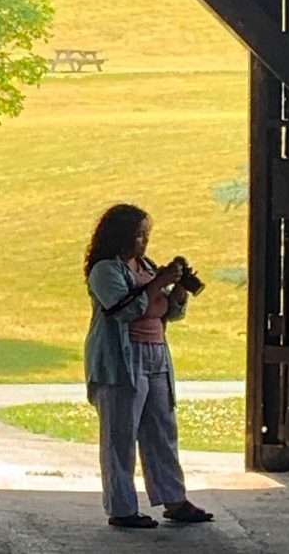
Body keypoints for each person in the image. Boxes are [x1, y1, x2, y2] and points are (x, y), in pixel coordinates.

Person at [83, 203, 213, 529]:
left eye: (146, 234)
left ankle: (174, 499)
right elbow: (122, 309)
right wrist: (159, 282)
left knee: (162, 430)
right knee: (120, 436)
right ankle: (122, 508)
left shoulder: (146, 265)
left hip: (156, 354)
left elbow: (168, 311)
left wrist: (179, 286)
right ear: (121, 236)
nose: (144, 241)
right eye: (138, 235)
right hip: (120, 360)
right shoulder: (105, 270)